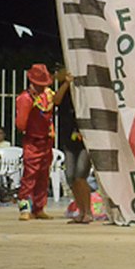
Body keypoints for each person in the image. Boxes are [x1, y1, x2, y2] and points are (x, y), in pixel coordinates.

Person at [15, 64, 71, 220]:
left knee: (43, 175)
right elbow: (20, 124)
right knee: (30, 175)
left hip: (46, 140)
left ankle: (39, 208)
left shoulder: (47, 94)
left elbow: (57, 101)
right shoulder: (25, 98)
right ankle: (25, 208)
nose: (43, 86)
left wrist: (66, 84)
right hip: (33, 141)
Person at [56, 68, 93, 223]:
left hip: (85, 140)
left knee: (80, 175)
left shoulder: (85, 93)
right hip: (69, 140)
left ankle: (88, 211)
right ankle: (81, 210)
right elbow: (56, 101)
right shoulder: (64, 92)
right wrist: (66, 84)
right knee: (70, 177)